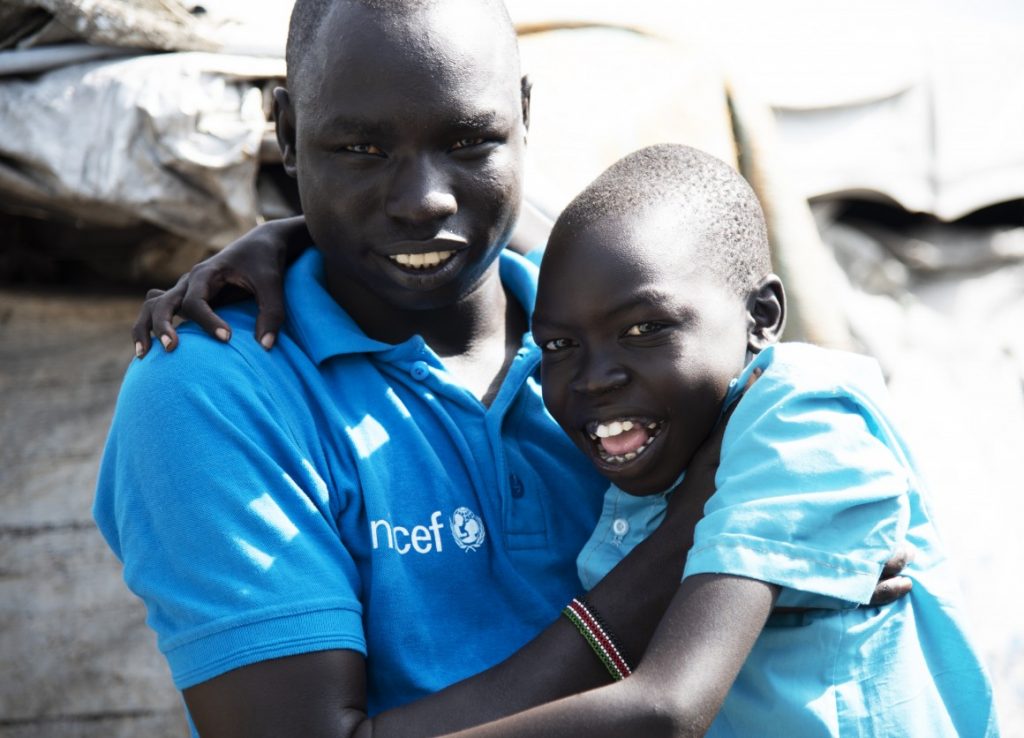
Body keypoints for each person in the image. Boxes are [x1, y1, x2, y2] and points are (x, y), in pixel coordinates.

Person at [98, 1, 911, 736]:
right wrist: (696, 540)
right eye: (359, 148)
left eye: (467, 141)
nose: (422, 200)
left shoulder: (637, 339)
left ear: (523, 115)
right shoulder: (214, 394)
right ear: (287, 129)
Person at [447, 144, 998, 736]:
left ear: (761, 316)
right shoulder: (670, 451)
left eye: (644, 329)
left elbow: (669, 707)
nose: (595, 377)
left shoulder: (801, 418)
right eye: (558, 345)